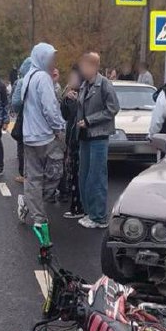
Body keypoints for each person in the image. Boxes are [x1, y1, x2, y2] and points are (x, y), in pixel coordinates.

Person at [16, 43, 67, 227]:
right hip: (45, 136)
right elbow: (50, 109)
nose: (53, 61)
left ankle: (33, 209)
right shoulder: (42, 78)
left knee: (35, 178)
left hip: (30, 137)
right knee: (55, 173)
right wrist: (60, 128)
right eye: (51, 58)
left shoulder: (28, 76)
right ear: (42, 58)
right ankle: (37, 215)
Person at [75, 52, 120, 229]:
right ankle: (89, 212)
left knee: (97, 176)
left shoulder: (104, 85)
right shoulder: (85, 85)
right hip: (85, 136)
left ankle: (99, 216)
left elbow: (113, 108)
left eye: (84, 66)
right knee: (84, 175)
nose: (82, 70)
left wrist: (90, 120)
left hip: (99, 136)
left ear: (94, 66)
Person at [59, 65, 85, 218]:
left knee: (79, 173)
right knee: (72, 171)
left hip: (81, 139)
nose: (70, 80)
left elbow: (81, 114)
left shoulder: (85, 93)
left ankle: (79, 207)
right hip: (71, 137)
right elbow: (65, 115)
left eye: (73, 77)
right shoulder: (70, 94)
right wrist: (66, 100)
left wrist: (75, 102)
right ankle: (75, 205)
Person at [11, 57, 33, 183]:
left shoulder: (22, 82)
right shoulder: (43, 79)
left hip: (25, 119)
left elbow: (15, 103)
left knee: (22, 145)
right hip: (39, 124)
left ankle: (23, 174)